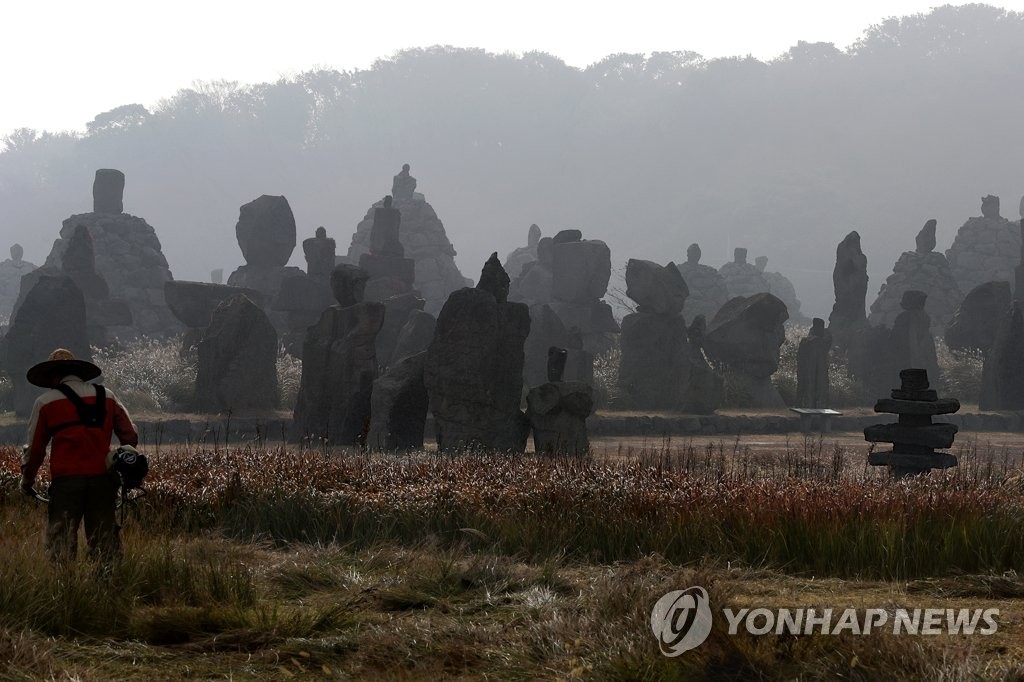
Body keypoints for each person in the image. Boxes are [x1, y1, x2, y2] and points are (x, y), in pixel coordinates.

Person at [19, 348, 138, 567]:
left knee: (61, 542)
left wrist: (27, 482)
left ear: (54, 376)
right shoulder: (107, 396)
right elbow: (130, 435)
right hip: (103, 481)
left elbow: (35, 450)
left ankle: (65, 591)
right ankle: (107, 589)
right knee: (105, 542)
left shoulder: (45, 402)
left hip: (66, 483)